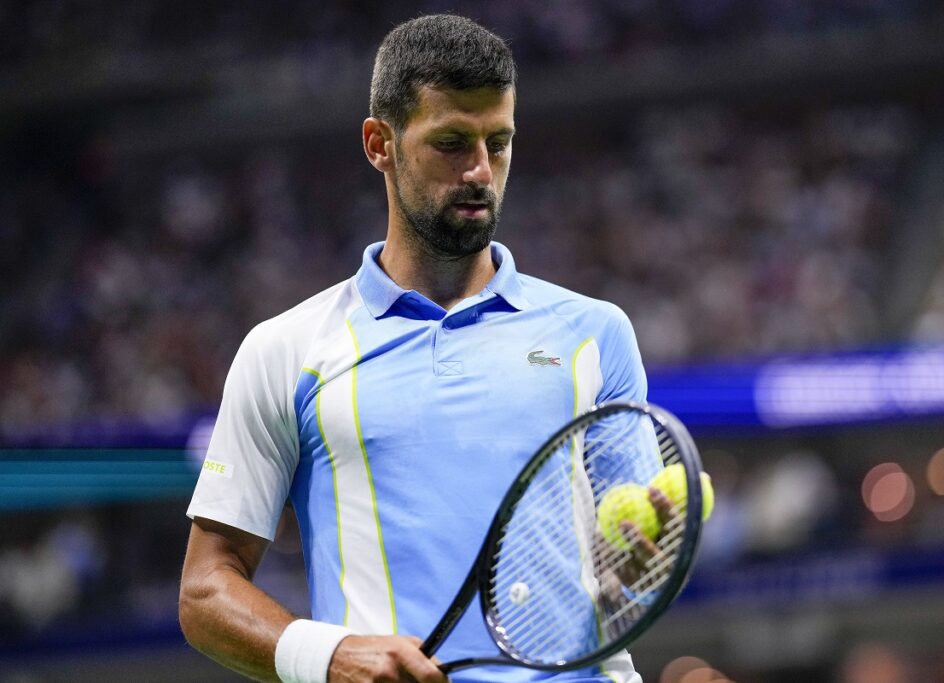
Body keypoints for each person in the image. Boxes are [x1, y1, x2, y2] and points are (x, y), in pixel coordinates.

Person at [180, 14, 647, 683]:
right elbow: (204, 591)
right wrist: (330, 656)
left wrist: (634, 562)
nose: (481, 171)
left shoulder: (598, 334)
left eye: (500, 142)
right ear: (380, 143)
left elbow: (629, 573)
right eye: (452, 143)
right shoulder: (286, 350)